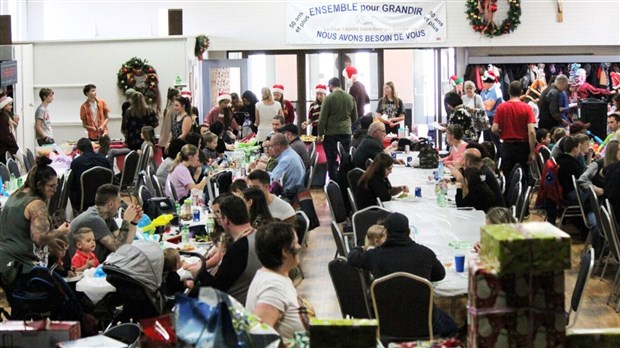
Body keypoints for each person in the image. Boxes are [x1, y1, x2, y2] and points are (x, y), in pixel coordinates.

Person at [347, 212, 457, 337]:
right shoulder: (425, 253)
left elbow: (352, 258)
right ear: (409, 232)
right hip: (423, 323)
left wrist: (360, 247)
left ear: (386, 233)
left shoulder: (374, 256)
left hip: (386, 323)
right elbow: (440, 275)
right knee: (452, 327)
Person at [0, 157, 71, 274]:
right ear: (39, 185)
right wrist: (60, 231)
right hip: (19, 265)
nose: (55, 190)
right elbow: (39, 238)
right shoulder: (36, 204)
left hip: (5, 259)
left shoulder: (16, 194)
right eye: (51, 186)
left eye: (56, 186)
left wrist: (52, 240)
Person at [246, 222, 311, 339]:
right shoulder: (273, 287)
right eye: (295, 242)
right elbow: (260, 338)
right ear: (284, 251)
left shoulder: (274, 276)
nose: (299, 246)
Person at [197, 195, 261, 305]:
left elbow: (216, 287)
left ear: (225, 219)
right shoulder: (258, 235)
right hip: (252, 299)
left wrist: (199, 270)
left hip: (234, 307)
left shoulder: (238, 249)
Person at [67, 184, 142, 264]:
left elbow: (124, 244)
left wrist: (133, 222)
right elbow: (117, 248)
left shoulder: (107, 216)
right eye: (119, 202)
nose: (120, 206)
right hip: (75, 269)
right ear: (110, 204)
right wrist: (126, 221)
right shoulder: (94, 219)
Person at [492, 81, 537, 178]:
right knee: (524, 174)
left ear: (509, 91)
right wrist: (532, 151)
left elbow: (494, 128)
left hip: (507, 145)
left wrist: (501, 133)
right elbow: (532, 131)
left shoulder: (501, 107)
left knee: (508, 175)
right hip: (523, 146)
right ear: (521, 92)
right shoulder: (527, 108)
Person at [318, 77, 357, 180]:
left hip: (331, 133)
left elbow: (322, 118)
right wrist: (350, 129)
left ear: (331, 86)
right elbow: (355, 118)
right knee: (345, 158)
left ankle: (333, 182)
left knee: (331, 160)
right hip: (346, 132)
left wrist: (320, 134)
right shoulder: (350, 98)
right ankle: (345, 181)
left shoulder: (329, 98)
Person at [250, 133, 305, 201]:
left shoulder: (286, 160)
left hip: (289, 196)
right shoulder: (290, 153)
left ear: (278, 145)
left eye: (271, 146)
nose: (270, 149)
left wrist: (256, 172)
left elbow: (272, 182)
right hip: (295, 191)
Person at [69, 138, 112, 208]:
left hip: (83, 201)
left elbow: (72, 185)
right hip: (104, 198)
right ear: (92, 148)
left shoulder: (76, 163)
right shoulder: (104, 160)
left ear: (79, 151)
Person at [480, 68, 503, 146]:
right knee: (486, 140)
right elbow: (481, 104)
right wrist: (484, 104)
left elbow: (489, 106)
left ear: (490, 82)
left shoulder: (496, 91)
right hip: (485, 117)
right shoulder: (484, 91)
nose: (483, 83)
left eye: (484, 82)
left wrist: (482, 104)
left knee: (495, 140)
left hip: (494, 118)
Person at [344, 66, 369, 131]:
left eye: (346, 77)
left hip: (355, 118)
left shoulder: (353, 88)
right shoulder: (362, 85)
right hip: (361, 115)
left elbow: (351, 104)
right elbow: (367, 100)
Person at [0, 95, 19, 164]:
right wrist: (14, 147)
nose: (11, 107)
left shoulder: (7, 116)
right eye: (9, 105)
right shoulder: (3, 118)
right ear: (4, 106)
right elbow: (5, 136)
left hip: (9, 147)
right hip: (5, 149)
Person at [159, 88, 179, 154]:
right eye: (179, 95)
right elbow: (174, 126)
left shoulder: (168, 107)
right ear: (174, 97)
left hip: (163, 139)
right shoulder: (174, 109)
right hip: (168, 140)